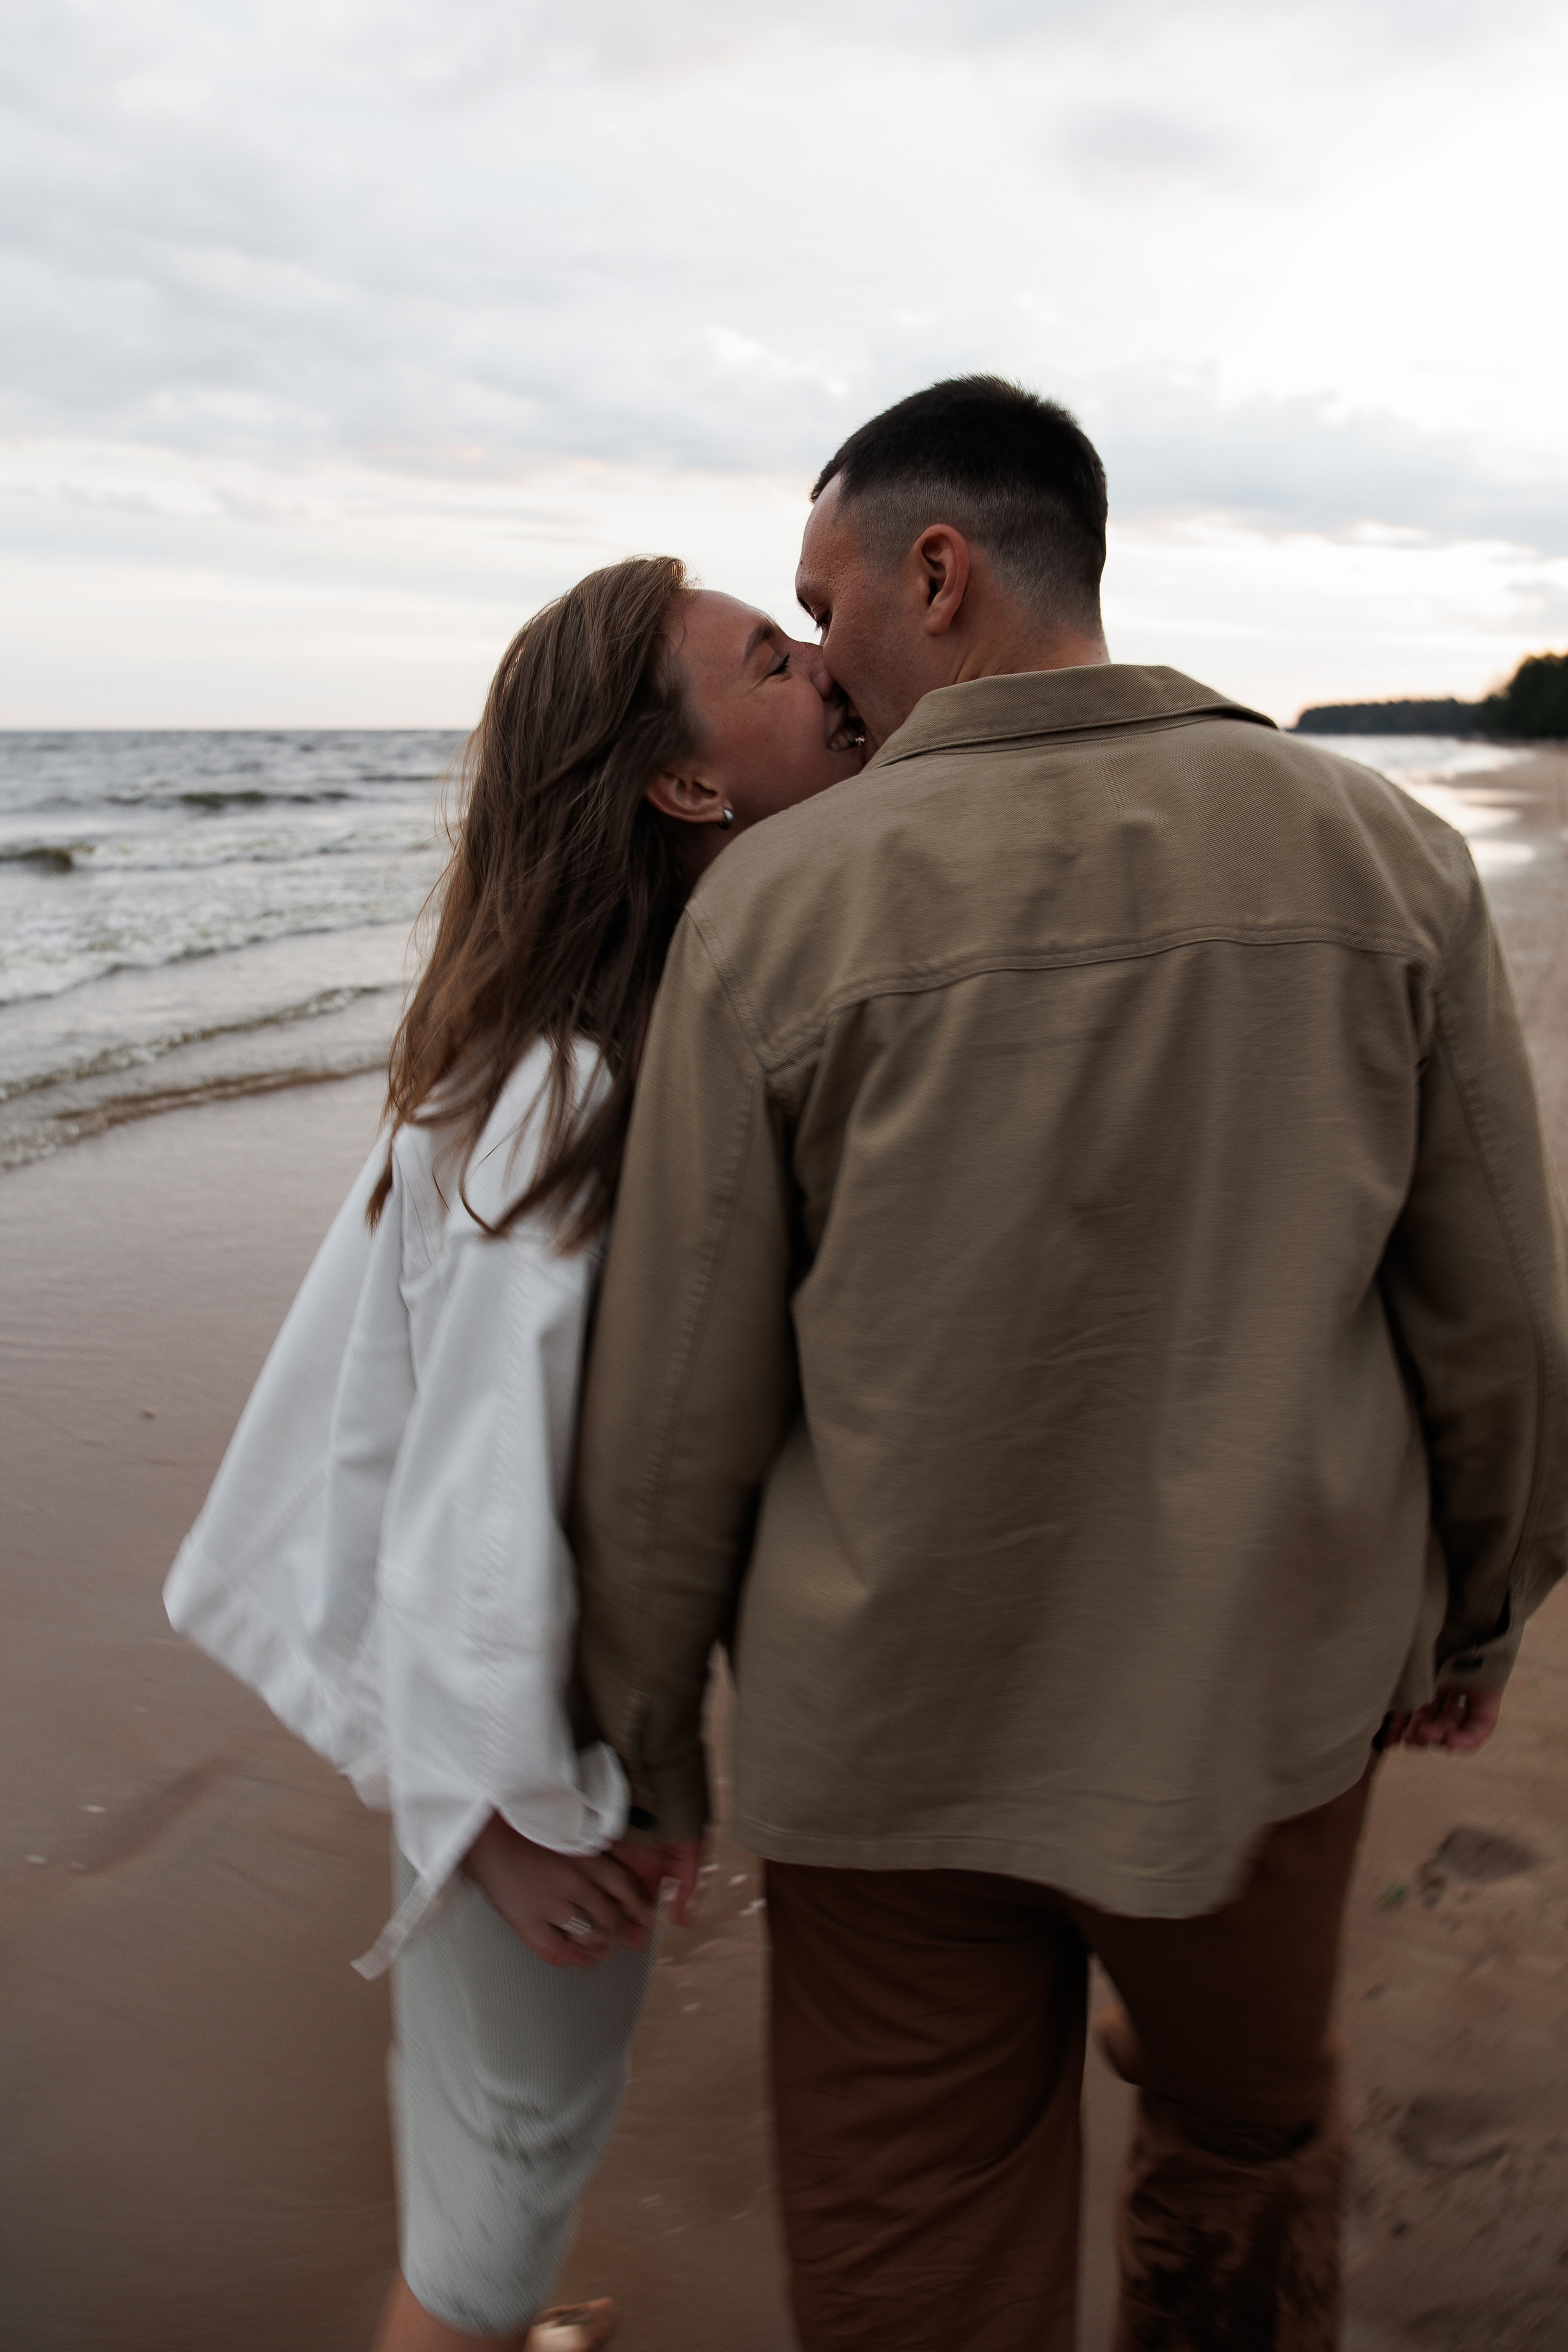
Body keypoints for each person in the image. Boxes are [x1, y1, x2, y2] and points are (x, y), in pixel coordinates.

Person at [572, 377, 1568, 2350]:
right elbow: (1498, 1315)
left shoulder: (773, 911)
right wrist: (1476, 1615)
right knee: (1239, 2141)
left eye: (821, 601)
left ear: (935, 577)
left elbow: (680, 1396)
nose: (822, 660)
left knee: (914, 2258)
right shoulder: (1379, 855)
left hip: (889, 1758)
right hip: (1259, 1704)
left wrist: (654, 1738)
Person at [164, 554, 867, 2352]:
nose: (824, 680)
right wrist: (502, 1828)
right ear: (686, 784)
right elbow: (476, 1499)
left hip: (497, 1738)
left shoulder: (591, 1048)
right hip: (518, 1764)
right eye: (772, 661)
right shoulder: (571, 1092)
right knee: (499, 2193)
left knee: (487, 2132)